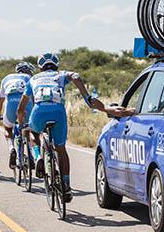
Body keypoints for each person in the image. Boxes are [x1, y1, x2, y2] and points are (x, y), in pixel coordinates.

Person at [17, 52, 128, 202]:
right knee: (61, 149)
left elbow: (21, 107)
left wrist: (21, 122)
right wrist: (86, 96)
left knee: (31, 132)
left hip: (39, 112)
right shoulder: (61, 75)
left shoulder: (33, 79)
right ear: (56, 65)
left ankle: (37, 158)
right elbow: (75, 76)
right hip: (58, 111)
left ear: (40, 67)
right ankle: (66, 186)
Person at [0, 61, 36, 169]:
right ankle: (31, 155)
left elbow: (0, 101)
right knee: (28, 129)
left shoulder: (6, 78)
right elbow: (35, 99)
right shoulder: (30, 78)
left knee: (8, 129)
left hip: (10, 106)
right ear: (28, 71)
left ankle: (11, 148)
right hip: (26, 106)